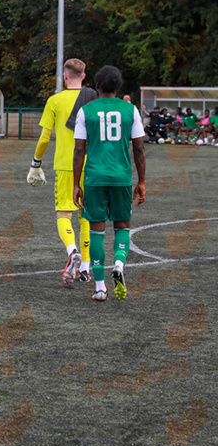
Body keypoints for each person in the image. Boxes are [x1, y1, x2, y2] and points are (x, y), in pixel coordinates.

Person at [73, 66, 146, 301]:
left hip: (94, 178)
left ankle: (100, 288)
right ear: (118, 87)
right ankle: (118, 264)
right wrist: (142, 181)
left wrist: (76, 184)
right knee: (123, 226)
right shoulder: (130, 110)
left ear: (97, 86)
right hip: (121, 178)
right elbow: (139, 148)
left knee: (96, 230)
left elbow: (79, 150)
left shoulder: (86, 111)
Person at [27, 58, 95, 286]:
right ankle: (86, 268)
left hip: (66, 165)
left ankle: (72, 250)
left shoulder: (55, 100)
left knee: (64, 214)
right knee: (86, 215)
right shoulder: (93, 98)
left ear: (65, 76)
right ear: (84, 76)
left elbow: (45, 137)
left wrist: (36, 163)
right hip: (92, 165)